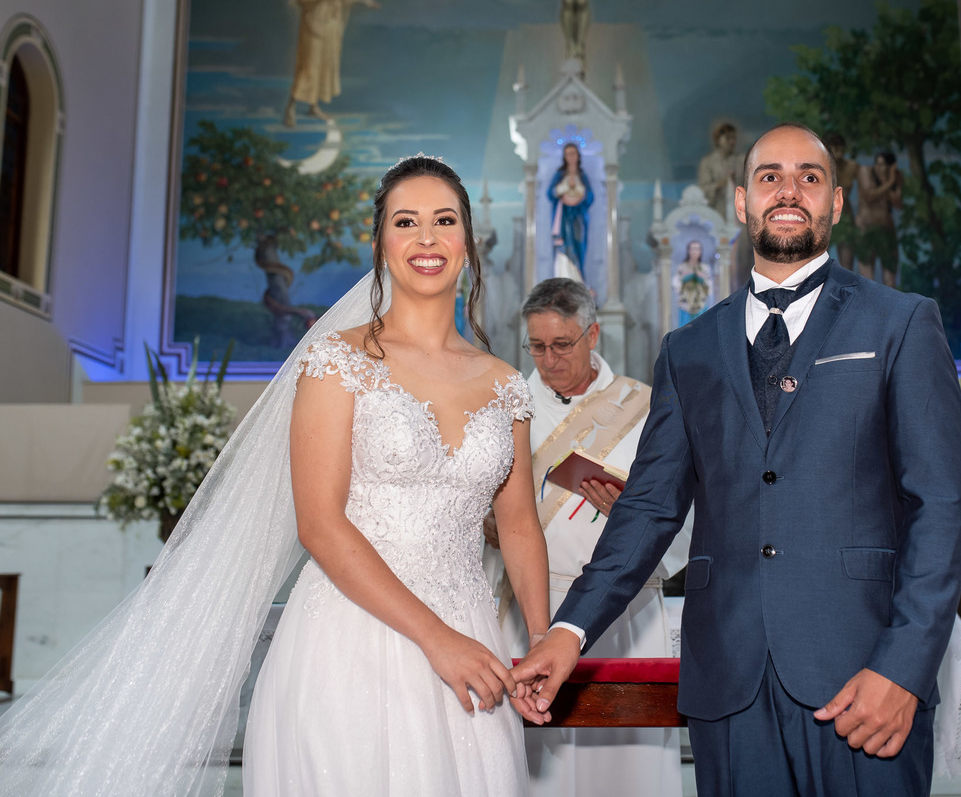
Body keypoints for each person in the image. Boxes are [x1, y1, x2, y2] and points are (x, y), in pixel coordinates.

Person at [0, 155, 551, 796]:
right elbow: (319, 524)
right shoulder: (336, 361)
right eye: (406, 222)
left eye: (444, 220)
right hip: (353, 637)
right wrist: (437, 639)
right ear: (380, 243)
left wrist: (538, 641)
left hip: (474, 640)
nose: (427, 238)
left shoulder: (507, 385)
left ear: (468, 241)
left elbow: (517, 527)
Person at [513, 124, 961, 797]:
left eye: (809, 177)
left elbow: (942, 505)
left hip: (862, 677)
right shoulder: (688, 347)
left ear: (837, 203)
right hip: (728, 684)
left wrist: (902, 668)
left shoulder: (900, 323)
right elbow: (648, 505)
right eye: (770, 177)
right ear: (740, 202)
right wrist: (569, 628)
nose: (789, 189)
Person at [483, 277, 692, 797]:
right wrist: (485, 526)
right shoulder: (503, 407)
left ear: (593, 334)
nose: (548, 359)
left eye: (561, 345)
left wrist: (636, 514)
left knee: (624, 761)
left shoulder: (646, 408)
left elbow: (686, 513)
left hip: (622, 608)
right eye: (536, 346)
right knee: (535, 757)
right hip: (528, 605)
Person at [283, 0, 380, 127]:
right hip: (314, 22)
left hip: (331, 23)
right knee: (309, 65)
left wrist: (364, 2)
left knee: (323, 65)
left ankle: (314, 106)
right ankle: (290, 107)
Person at [856, 149, 904, 287]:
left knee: (890, 281)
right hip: (866, 228)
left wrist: (889, 180)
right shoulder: (866, 172)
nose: (880, 168)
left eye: (884, 165)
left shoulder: (896, 176)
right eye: (878, 164)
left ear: (892, 166)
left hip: (886, 229)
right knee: (867, 280)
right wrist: (889, 182)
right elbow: (869, 196)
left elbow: (898, 203)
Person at [547, 143, 594, 281]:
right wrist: (566, 187)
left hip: (578, 216)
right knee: (563, 247)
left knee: (578, 246)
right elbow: (550, 193)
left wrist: (580, 193)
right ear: (564, 157)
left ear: (578, 155)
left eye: (573, 153)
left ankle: (578, 279)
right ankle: (564, 278)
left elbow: (590, 197)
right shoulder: (560, 175)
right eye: (568, 154)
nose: (571, 157)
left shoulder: (582, 176)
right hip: (564, 216)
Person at [824, 132, 859, 272]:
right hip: (825, 214)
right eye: (835, 149)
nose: (838, 153)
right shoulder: (820, 168)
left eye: (840, 149)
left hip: (845, 214)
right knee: (816, 259)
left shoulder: (852, 167)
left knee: (847, 262)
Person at [697, 122, 739, 215]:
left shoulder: (741, 161)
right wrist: (723, 183)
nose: (732, 141)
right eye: (728, 138)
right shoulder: (708, 163)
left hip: (739, 212)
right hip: (717, 211)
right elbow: (704, 189)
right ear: (718, 140)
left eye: (733, 138)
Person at [673, 239, 713, 326]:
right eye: (693, 249)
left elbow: (709, 288)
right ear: (688, 251)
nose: (695, 252)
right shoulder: (682, 267)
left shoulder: (705, 268)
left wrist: (702, 277)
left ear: (700, 251)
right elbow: (676, 285)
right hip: (685, 306)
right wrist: (685, 276)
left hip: (700, 305)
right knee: (685, 331)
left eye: (697, 249)